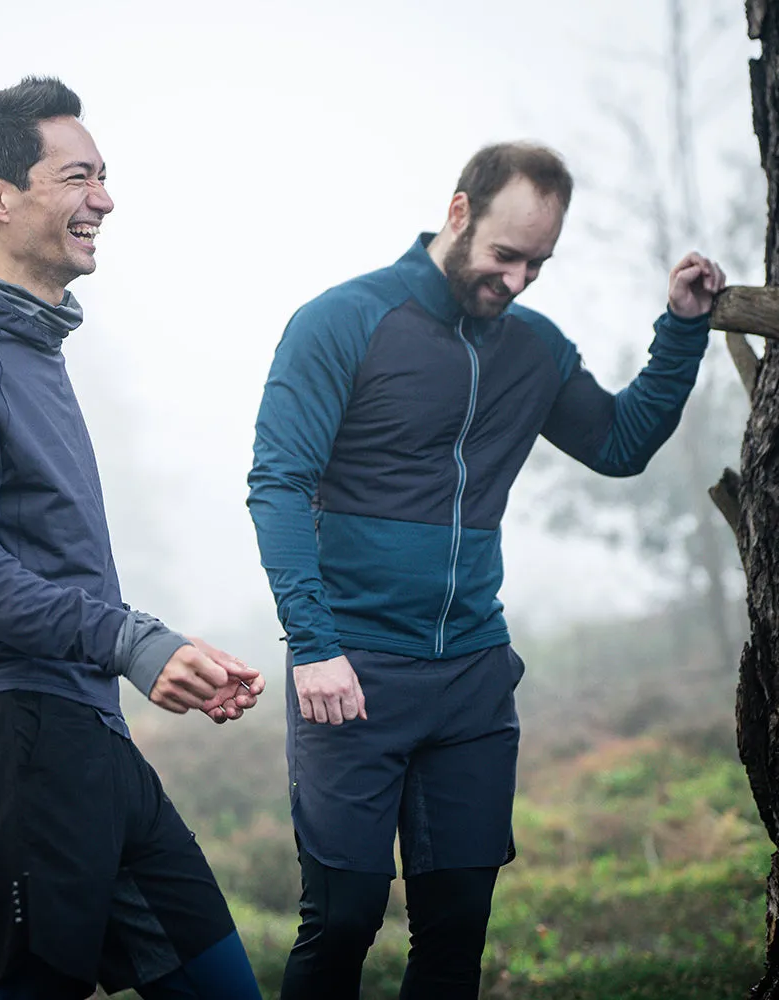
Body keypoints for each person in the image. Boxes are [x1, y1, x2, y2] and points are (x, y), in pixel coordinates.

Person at [247, 141, 725, 999]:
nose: (518, 280)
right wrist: (312, 643)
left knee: (457, 931)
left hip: (471, 675)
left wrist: (681, 329)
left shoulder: (531, 349)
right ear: (458, 212)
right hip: (352, 670)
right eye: (506, 256)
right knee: (344, 921)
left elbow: (619, 445)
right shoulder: (341, 322)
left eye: (538, 263)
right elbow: (277, 483)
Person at [0, 76, 265, 1000]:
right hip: (14, 741)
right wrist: (130, 641)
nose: (106, 199)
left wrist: (160, 647)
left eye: (105, 176)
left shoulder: (33, 351)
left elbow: (51, 563)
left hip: (92, 734)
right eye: (79, 176)